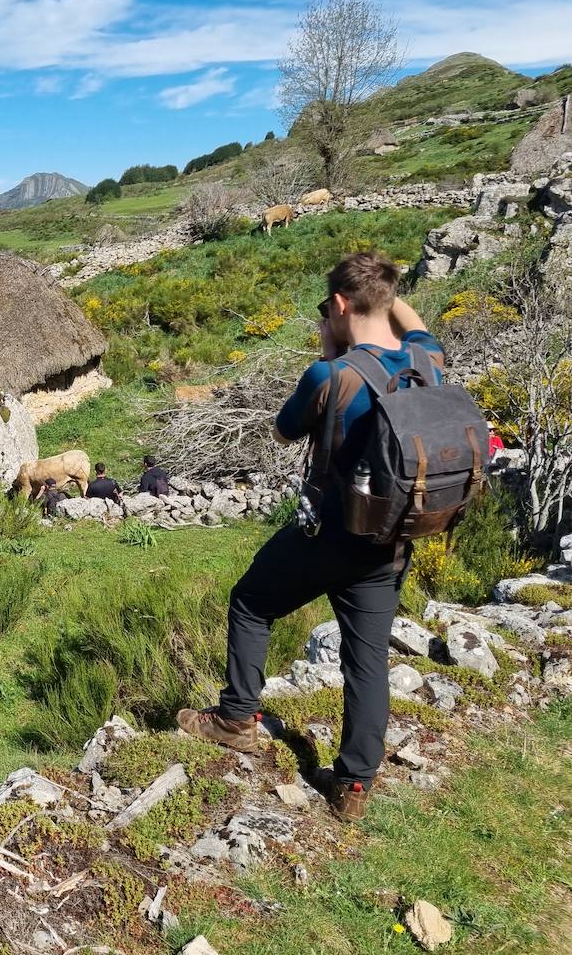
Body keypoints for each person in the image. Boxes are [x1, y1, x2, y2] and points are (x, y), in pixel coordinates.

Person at [175, 251, 445, 823]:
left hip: (331, 535)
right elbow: (413, 325)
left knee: (250, 601)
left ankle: (235, 719)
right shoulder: (426, 361)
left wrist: (330, 354)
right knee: (366, 659)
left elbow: (281, 432)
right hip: (391, 543)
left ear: (340, 306)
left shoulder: (333, 375)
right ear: (387, 303)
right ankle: (353, 787)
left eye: (328, 310)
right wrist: (386, 299)